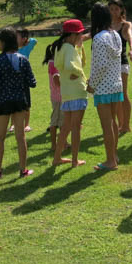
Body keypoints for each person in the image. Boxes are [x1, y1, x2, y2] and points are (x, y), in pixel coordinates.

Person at [0, 28, 37, 179]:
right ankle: (23, 169)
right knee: (21, 137)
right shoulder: (23, 60)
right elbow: (32, 82)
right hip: (20, 101)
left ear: (4, 42)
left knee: (0, 137)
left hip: (3, 101)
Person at [87, 2, 123, 171]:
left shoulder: (99, 38)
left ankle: (110, 161)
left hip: (103, 86)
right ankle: (113, 155)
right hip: (116, 84)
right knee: (113, 122)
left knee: (107, 125)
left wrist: (91, 85)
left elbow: (100, 66)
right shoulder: (115, 34)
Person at [50, 19, 89, 168]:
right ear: (72, 35)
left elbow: (63, 66)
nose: (81, 37)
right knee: (76, 128)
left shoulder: (60, 47)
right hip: (77, 92)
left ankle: (57, 158)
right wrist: (78, 72)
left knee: (66, 127)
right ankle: (74, 160)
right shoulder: (70, 48)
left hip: (66, 92)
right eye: (79, 34)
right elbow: (70, 65)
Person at [108, 0, 132, 134]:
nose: (113, 12)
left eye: (116, 9)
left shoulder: (126, 25)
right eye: (111, 9)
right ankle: (120, 125)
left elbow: (130, 36)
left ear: (121, 10)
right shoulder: (106, 25)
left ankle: (126, 125)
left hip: (122, 63)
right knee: (115, 95)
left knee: (123, 94)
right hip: (109, 65)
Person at [11, 28, 38, 133]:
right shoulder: (12, 48)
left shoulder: (27, 47)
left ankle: (26, 125)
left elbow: (34, 40)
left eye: (16, 36)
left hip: (24, 80)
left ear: (23, 39)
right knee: (13, 103)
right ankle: (12, 124)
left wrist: (26, 41)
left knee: (26, 104)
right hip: (13, 80)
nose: (14, 38)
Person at [43, 44, 68, 152]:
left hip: (58, 97)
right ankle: (54, 145)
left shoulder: (53, 62)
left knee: (62, 122)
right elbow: (57, 80)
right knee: (55, 122)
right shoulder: (54, 64)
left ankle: (64, 143)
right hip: (59, 98)